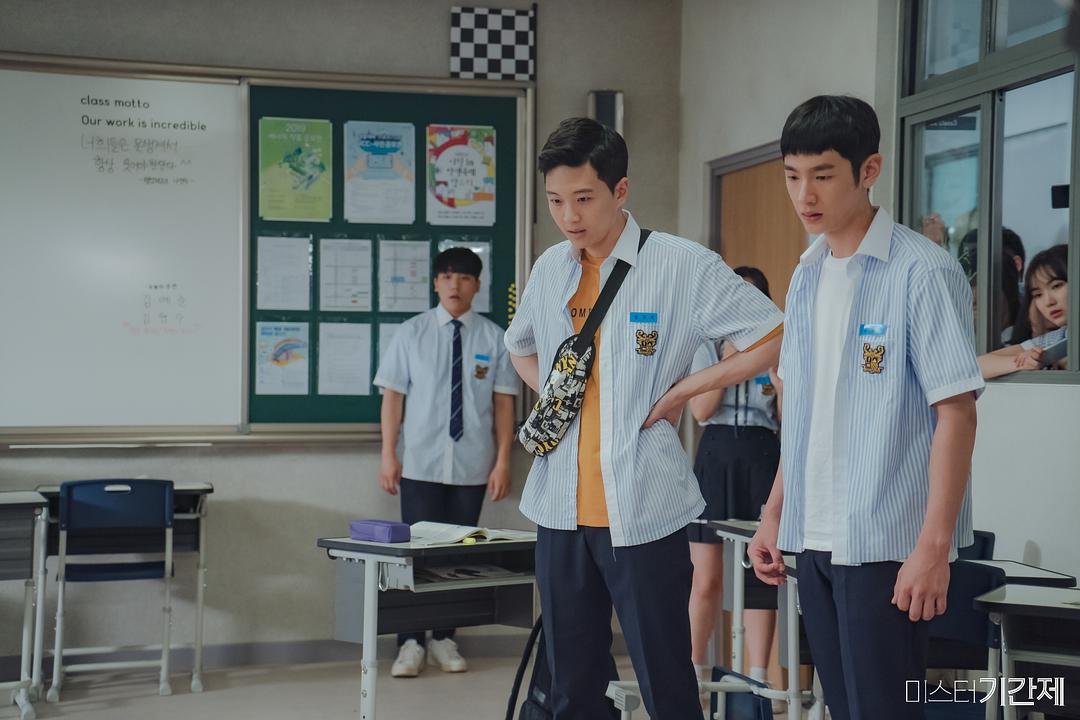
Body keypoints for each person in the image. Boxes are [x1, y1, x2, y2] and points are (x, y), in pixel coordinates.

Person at [504, 117, 784, 719]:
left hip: (644, 507)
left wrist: (687, 388)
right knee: (572, 684)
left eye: (584, 198)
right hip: (559, 508)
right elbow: (518, 345)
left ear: (620, 190)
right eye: (556, 201)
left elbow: (773, 335)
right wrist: (557, 394)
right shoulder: (551, 268)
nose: (569, 216)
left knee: (665, 677)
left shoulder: (681, 264)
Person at [736, 95, 981, 719]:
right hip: (815, 537)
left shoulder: (922, 271)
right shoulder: (807, 275)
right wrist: (773, 514)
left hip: (887, 543)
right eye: (793, 176)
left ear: (868, 170)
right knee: (842, 708)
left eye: (822, 175)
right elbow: (805, 412)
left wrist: (933, 548)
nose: (804, 195)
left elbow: (956, 413)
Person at [373, 246, 519, 678]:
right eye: (448, 276)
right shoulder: (411, 333)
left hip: (472, 465)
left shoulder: (494, 338)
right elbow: (392, 399)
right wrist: (388, 454)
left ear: (477, 286)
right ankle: (410, 641)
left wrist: (503, 461)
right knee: (415, 555)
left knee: (458, 558)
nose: (455, 284)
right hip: (420, 463)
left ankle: (443, 637)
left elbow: (504, 405)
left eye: (465, 277)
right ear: (436, 283)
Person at [686, 266, 781, 698]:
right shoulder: (706, 345)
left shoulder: (779, 343)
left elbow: (787, 417)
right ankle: (695, 673)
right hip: (717, 452)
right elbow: (701, 411)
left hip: (762, 454)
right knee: (706, 577)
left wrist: (775, 375)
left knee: (762, 573)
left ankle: (759, 678)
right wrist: (731, 360)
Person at [978, 243, 1068, 378]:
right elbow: (978, 366)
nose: (1049, 301)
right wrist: (1024, 362)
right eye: (1038, 295)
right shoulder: (1061, 336)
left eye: (1056, 286)